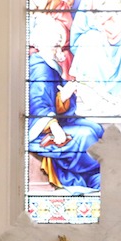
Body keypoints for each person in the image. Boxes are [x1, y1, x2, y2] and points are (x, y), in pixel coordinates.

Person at [27, 15, 104, 190]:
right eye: (56, 46)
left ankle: (95, 174)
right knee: (86, 136)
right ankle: (90, 178)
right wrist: (55, 129)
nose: (58, 51)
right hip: (42, 130)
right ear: (45, 44)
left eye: (59, 45)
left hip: (56, 121)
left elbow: (55, 101)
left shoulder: (50, 64)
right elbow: (38, 106)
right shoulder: (39, 68)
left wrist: (65, 96)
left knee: (96, 127)